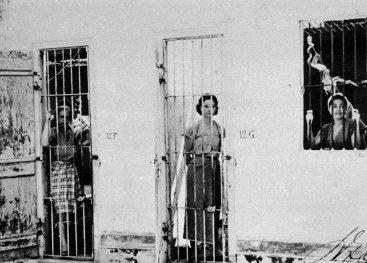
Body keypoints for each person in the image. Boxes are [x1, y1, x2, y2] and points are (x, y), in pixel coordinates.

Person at [184, 94, 224, 260]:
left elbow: (221, 151)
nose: (209, 110)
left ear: (216, 108)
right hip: (196, 168)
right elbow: (187, 155)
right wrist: (196, 169)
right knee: (195, 204)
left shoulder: (219, 129)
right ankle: (195, 246)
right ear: (200, 108)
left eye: (212, 106)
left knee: (213, 204)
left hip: (213, 167)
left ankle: (212, 245)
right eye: (206, 106)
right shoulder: (192, 129)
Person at [41, 105, 84, 255]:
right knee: (61, 210)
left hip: (71, 171)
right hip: (59, 172)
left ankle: (71, 244)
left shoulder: (71, 133)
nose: (64, 120)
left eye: (67, 117)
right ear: (57, 117)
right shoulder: (53, 131)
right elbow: (45, 143)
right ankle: (64, 246)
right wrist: (47, 121)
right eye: (61, 117)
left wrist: (84, 125)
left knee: (71, 210)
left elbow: (85, 142)